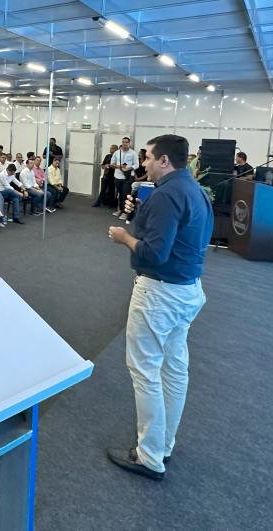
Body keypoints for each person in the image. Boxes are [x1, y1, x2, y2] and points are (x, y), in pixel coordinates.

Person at [106, 134, 212, 480]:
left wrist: (124, 237)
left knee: (146, 372)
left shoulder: (167, 195)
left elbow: (152, 253)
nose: (144, 163)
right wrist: (141, 219)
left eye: (148, 157)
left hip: (159, 294)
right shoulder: (194, 191)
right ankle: (163, 444)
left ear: (164, 160)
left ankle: (149, 456)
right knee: (174, 369)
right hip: (187, 290)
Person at [110, 137, 139, 218]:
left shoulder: (133, 153)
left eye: (126, 142)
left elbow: (137, 165)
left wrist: (128, 168)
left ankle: (125, 213)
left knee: (126, 194)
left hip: (128, 177)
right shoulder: (116, 152)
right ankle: (120, 210)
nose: (124, 143)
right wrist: (120, 166)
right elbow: (112, 164)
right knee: (120, 194)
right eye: (123, 142)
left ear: (129, 143)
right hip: (117, 176)